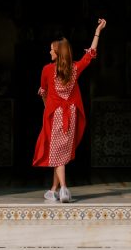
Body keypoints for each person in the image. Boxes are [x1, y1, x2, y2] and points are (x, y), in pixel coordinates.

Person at [32, 18, 106, 203]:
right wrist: (98, 31)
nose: (49, 51)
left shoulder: (47, 70)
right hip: (71, 114)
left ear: (57, 52)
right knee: (60, 153)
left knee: (57, 154)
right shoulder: (74, 69)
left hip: (55, 115)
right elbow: (90, 55)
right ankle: (53, 190)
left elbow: (43, 93)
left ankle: (64, 189)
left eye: (51, 49)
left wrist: (46, 105)